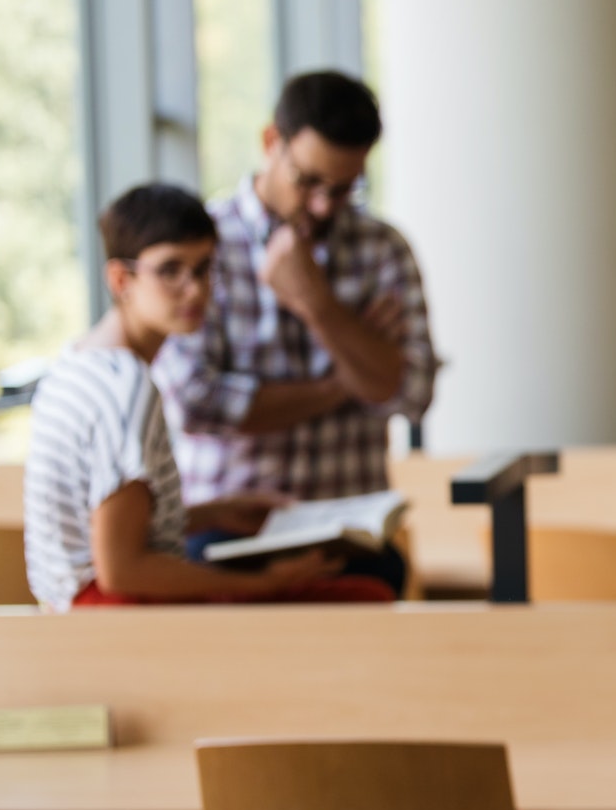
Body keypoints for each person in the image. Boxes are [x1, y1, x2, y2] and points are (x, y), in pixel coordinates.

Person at [23, 183, 390, 609]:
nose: (194, 290)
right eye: (170, 270)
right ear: (121, 279)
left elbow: (108, 530)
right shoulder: (126, 387)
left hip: (71, 608)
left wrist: (215, 512)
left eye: (203, 269)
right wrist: (264, 584)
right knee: (368, 595)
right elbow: (120, 570)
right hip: (115, 617)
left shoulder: (75, 362)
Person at [153, 70, 436, 601]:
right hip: (226, 535)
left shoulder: (384, 250)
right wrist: (347, 379)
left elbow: (412, 395)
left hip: (351, 536)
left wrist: (317, 305)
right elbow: (196, 404)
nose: (325, 205)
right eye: (308, 181)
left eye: (344, 188)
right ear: (270, 143)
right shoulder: (202, 249)